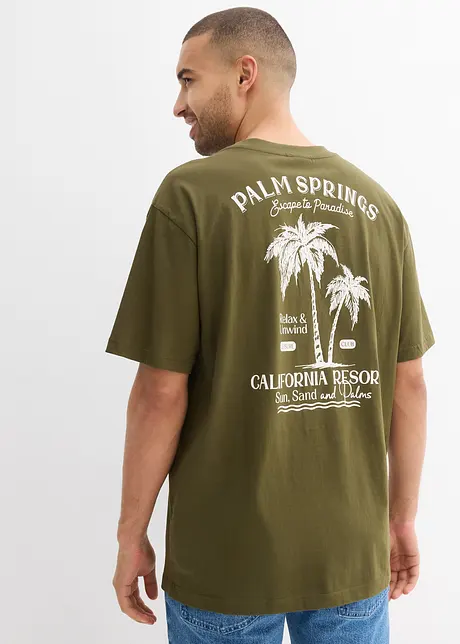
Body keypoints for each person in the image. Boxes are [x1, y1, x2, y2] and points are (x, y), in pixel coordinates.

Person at [105, 7, 435, 643]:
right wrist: (400, 520)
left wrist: (130, 534)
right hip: (350, 558)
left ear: (245, 74)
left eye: (189, 79)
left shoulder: (191, 196)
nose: (178, 104)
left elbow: (160, 392)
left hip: (226, 562)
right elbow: (410, 383)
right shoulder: (380, 207)